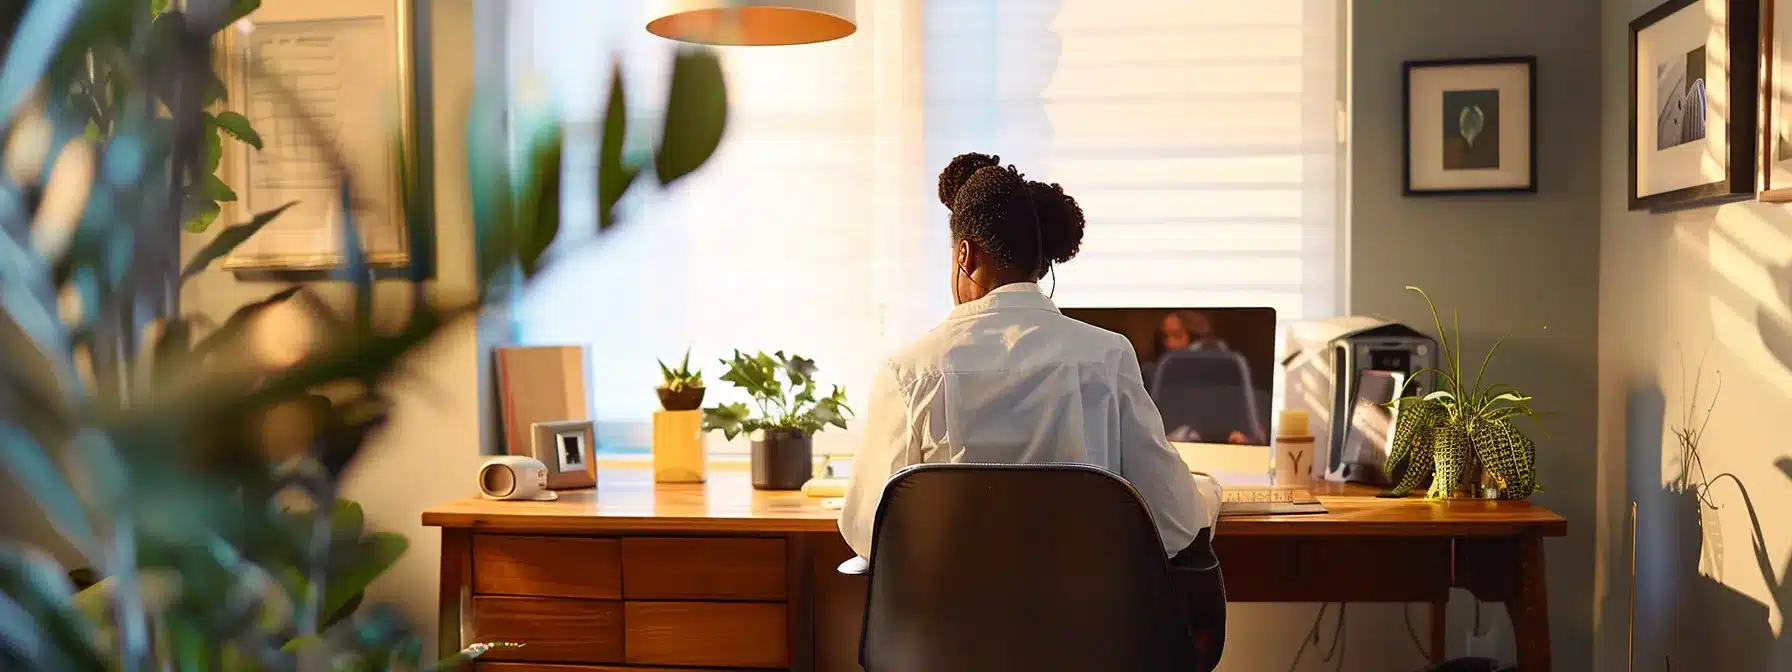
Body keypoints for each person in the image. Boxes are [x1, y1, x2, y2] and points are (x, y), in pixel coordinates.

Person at [840, 152, 1227, 667]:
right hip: (1088, 650)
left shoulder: (910, 369)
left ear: (964, 253)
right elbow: (1177, 524)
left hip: (947, 651)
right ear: (1041, 263)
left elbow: (868, 527)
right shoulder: (1106, 356)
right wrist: (1206, 492)